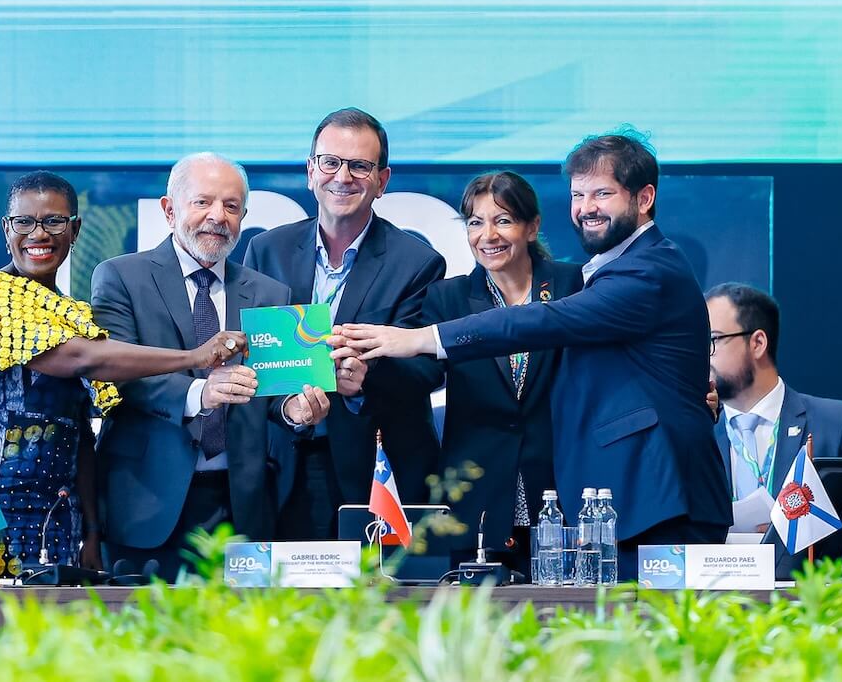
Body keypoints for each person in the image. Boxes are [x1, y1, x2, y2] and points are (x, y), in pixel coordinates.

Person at [337, 129, 730, 565]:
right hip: (591, 496)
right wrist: (365, 378)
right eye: (578, 194)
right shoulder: (613, 269)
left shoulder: (640, 272)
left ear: (644, 198)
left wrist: (418, 338)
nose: (587, 208)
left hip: (658, 492)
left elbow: (545, 320)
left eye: (603, 193)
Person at [0, 170, 247, 579]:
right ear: (7, 230)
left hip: (55, 509)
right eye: (24, 222)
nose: (38, 234)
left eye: (54, 221)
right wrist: (194, 356)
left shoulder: (71, 312)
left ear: (74, 229)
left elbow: (80, 433)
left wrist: (92, 529)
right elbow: (79, 359)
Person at [91, 153, 332, 580]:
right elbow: (115, 373)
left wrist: (294, 410)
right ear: (169, 210)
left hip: (241, 507)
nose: (217, 217)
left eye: (231, 206)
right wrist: (198, 393)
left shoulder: (270, 292)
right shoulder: (119, 277)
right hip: (146, 501)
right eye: (202, 202)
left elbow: (272, 389)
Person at [241, 108, 444, 540]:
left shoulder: (417, 262)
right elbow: (255, 359)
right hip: (283, 462)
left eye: (359, 166)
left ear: (383, 180)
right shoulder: (266, 250)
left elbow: (428, 367)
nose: (343, 176)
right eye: (330, 162)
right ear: (310, 170)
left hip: (375, 470)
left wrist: (368, 378)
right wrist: (287, 410)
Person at [387, 171, 582, 575]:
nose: (487, 235)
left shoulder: (572, 283)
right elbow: (422, 375)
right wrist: (367, 377)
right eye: (476, 222)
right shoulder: (449, 297)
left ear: (532, 226)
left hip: (560, 485)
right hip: (476, 495)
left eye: (503, 220)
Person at [706, 282, 842, 575]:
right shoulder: (696, 432)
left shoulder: (838, 424)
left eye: (713, 340)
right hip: (715, 601)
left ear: (758, 343)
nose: (704, 354)